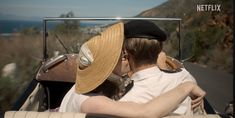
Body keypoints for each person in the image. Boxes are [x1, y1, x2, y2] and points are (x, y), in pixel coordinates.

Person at [59, 22, 205, 117]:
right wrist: (186, 87)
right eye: (117, 54)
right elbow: (145, 112)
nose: (123, 56)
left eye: (123, 52)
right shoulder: (185, 76)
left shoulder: (76, 90)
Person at [118, 20, 197, 115]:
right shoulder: (185, 78)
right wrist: (164, 68)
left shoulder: (124, 99)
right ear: (160, 50)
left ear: (125, 51)